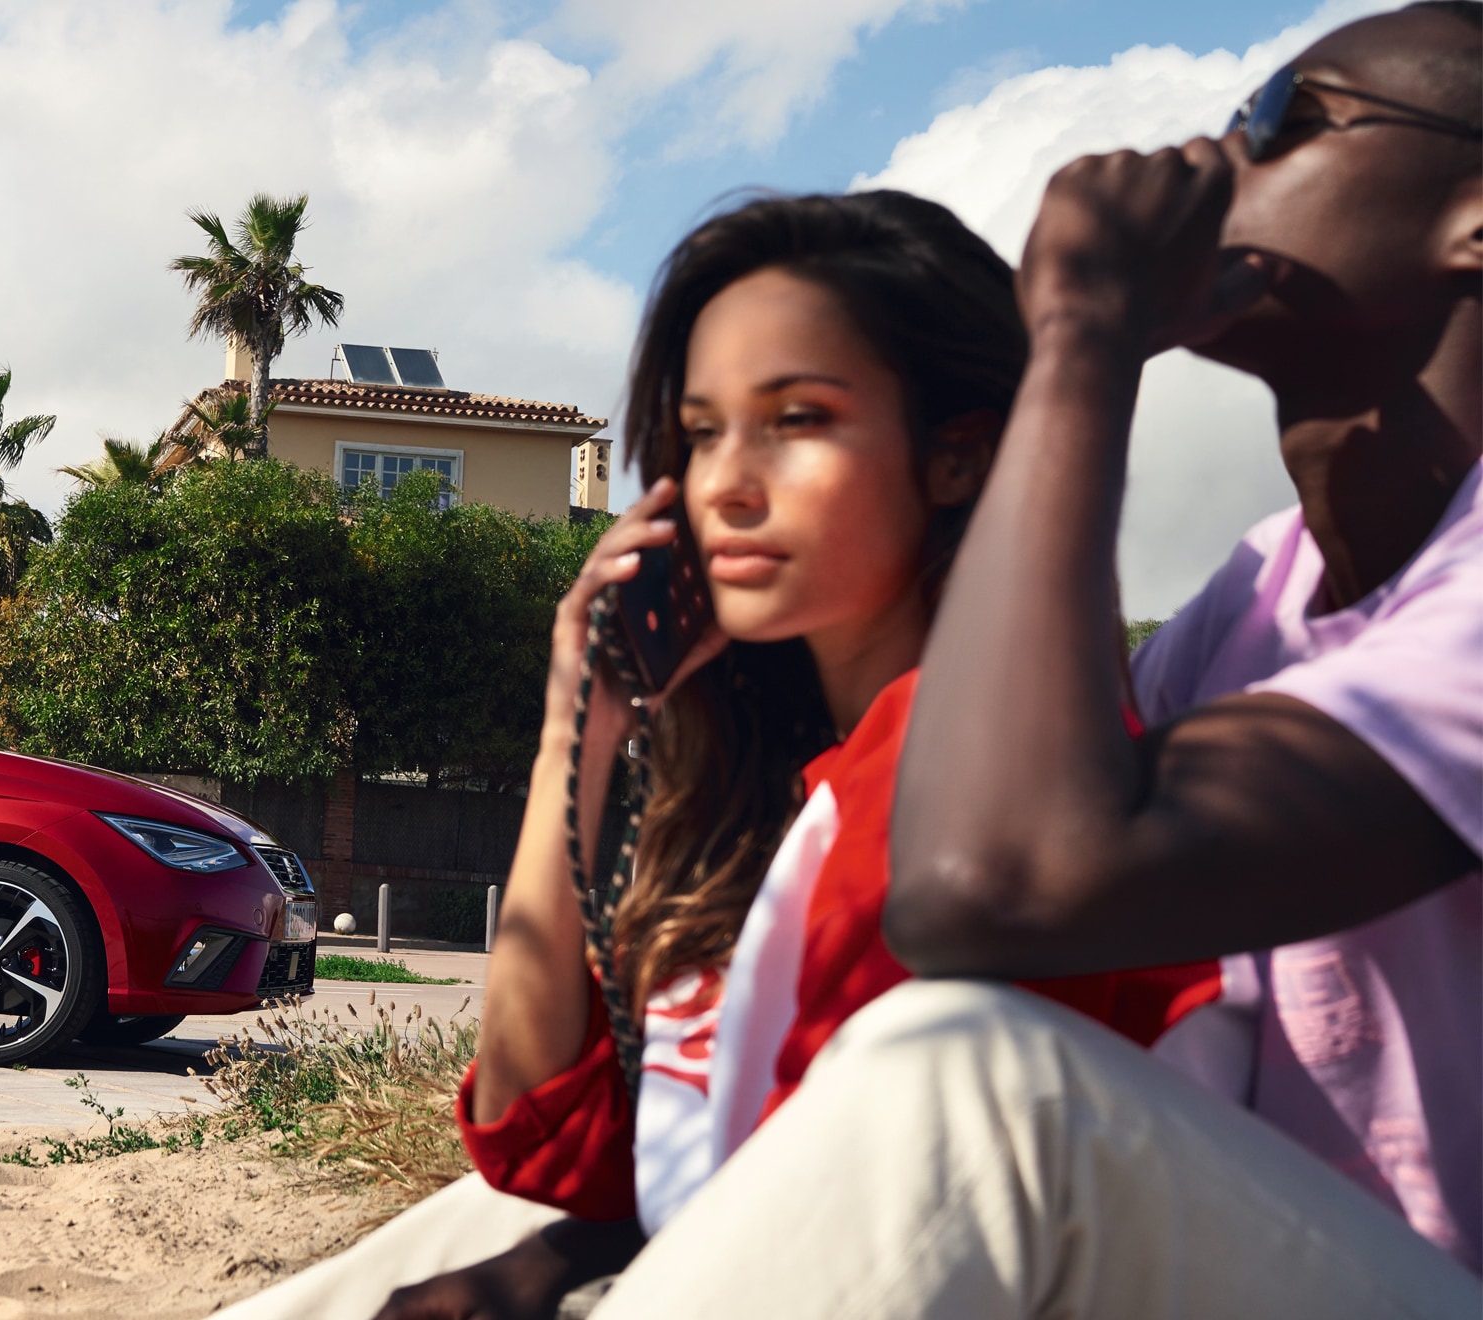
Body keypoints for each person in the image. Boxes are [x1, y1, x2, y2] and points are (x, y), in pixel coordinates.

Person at [554, 4, 1482, 1315]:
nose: (1207, 160)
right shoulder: (1255, 598)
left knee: (962, 1065)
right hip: (1239, 1254)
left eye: (1283, 120)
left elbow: (994, 880)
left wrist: (1086, 330)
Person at [212, 190, 1217, 1320]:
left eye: (797, 420)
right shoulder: (767, 799)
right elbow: (540, 1140)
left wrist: (547, 1266)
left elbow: (876, 1192)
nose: (726, 485)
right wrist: (573, 731)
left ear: (959, 456)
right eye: (698, 435)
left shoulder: (1010, 772)